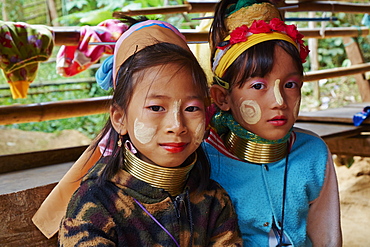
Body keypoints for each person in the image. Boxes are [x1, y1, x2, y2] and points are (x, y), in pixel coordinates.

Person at [55, 19, 242, 246]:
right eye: (155, 108)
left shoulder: (213, 200)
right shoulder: (97, 202)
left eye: (191, 108)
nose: (177, 125)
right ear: (119, 118)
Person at [202, 0, 342, 246]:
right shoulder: (204, 161)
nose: (279, 101)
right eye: (258, 86)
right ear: (222, 98)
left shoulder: (313, 154)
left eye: (290, 85)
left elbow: (327, 238)